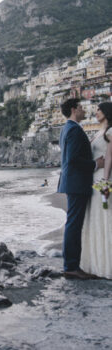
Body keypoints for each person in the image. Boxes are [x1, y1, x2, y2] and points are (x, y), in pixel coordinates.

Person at [58, 98, 104, 280]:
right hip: (77, 183)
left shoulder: (66, 129)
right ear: (74, 109)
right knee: (74, 225)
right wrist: (95, 164)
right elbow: (73, 159)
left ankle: (71, 264)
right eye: (81, 108)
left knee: (73, 224)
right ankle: (71, 266)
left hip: (73, 182)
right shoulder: (74, 130)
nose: (84, 111)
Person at [81, 101, 112, 279]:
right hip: (93, 178)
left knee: (105, 218)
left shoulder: (110, 132)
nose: (96, 112)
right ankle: (95, 262)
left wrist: (106, 181)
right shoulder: (99, 131)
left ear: (107, 112)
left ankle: (106, 264)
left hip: (102, 178)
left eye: (99, 109)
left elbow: (109, 157)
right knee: (94, 218)